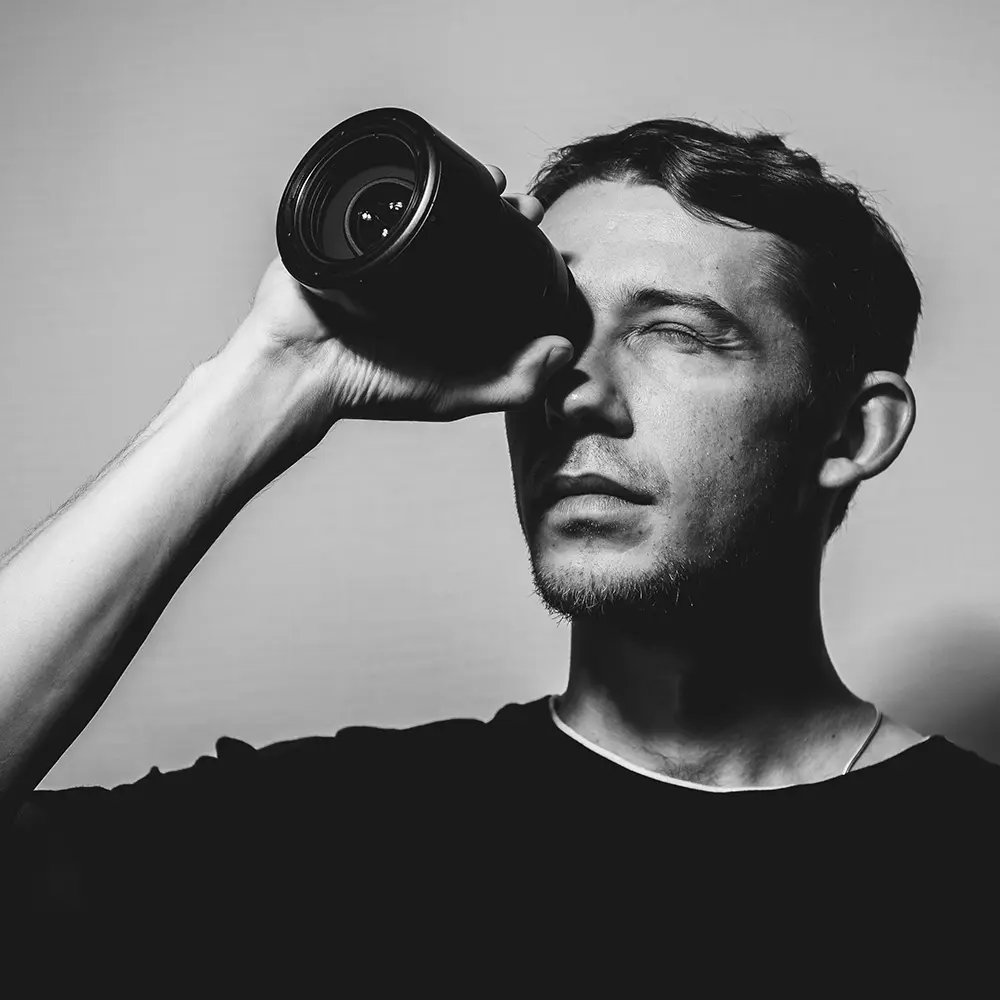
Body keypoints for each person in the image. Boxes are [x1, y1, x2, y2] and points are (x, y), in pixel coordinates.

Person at [1, 116, 997, 986]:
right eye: (556, 324)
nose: (575, 390)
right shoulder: (337, 840)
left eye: (676, 334)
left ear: (852, 430)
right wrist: (273, 376)